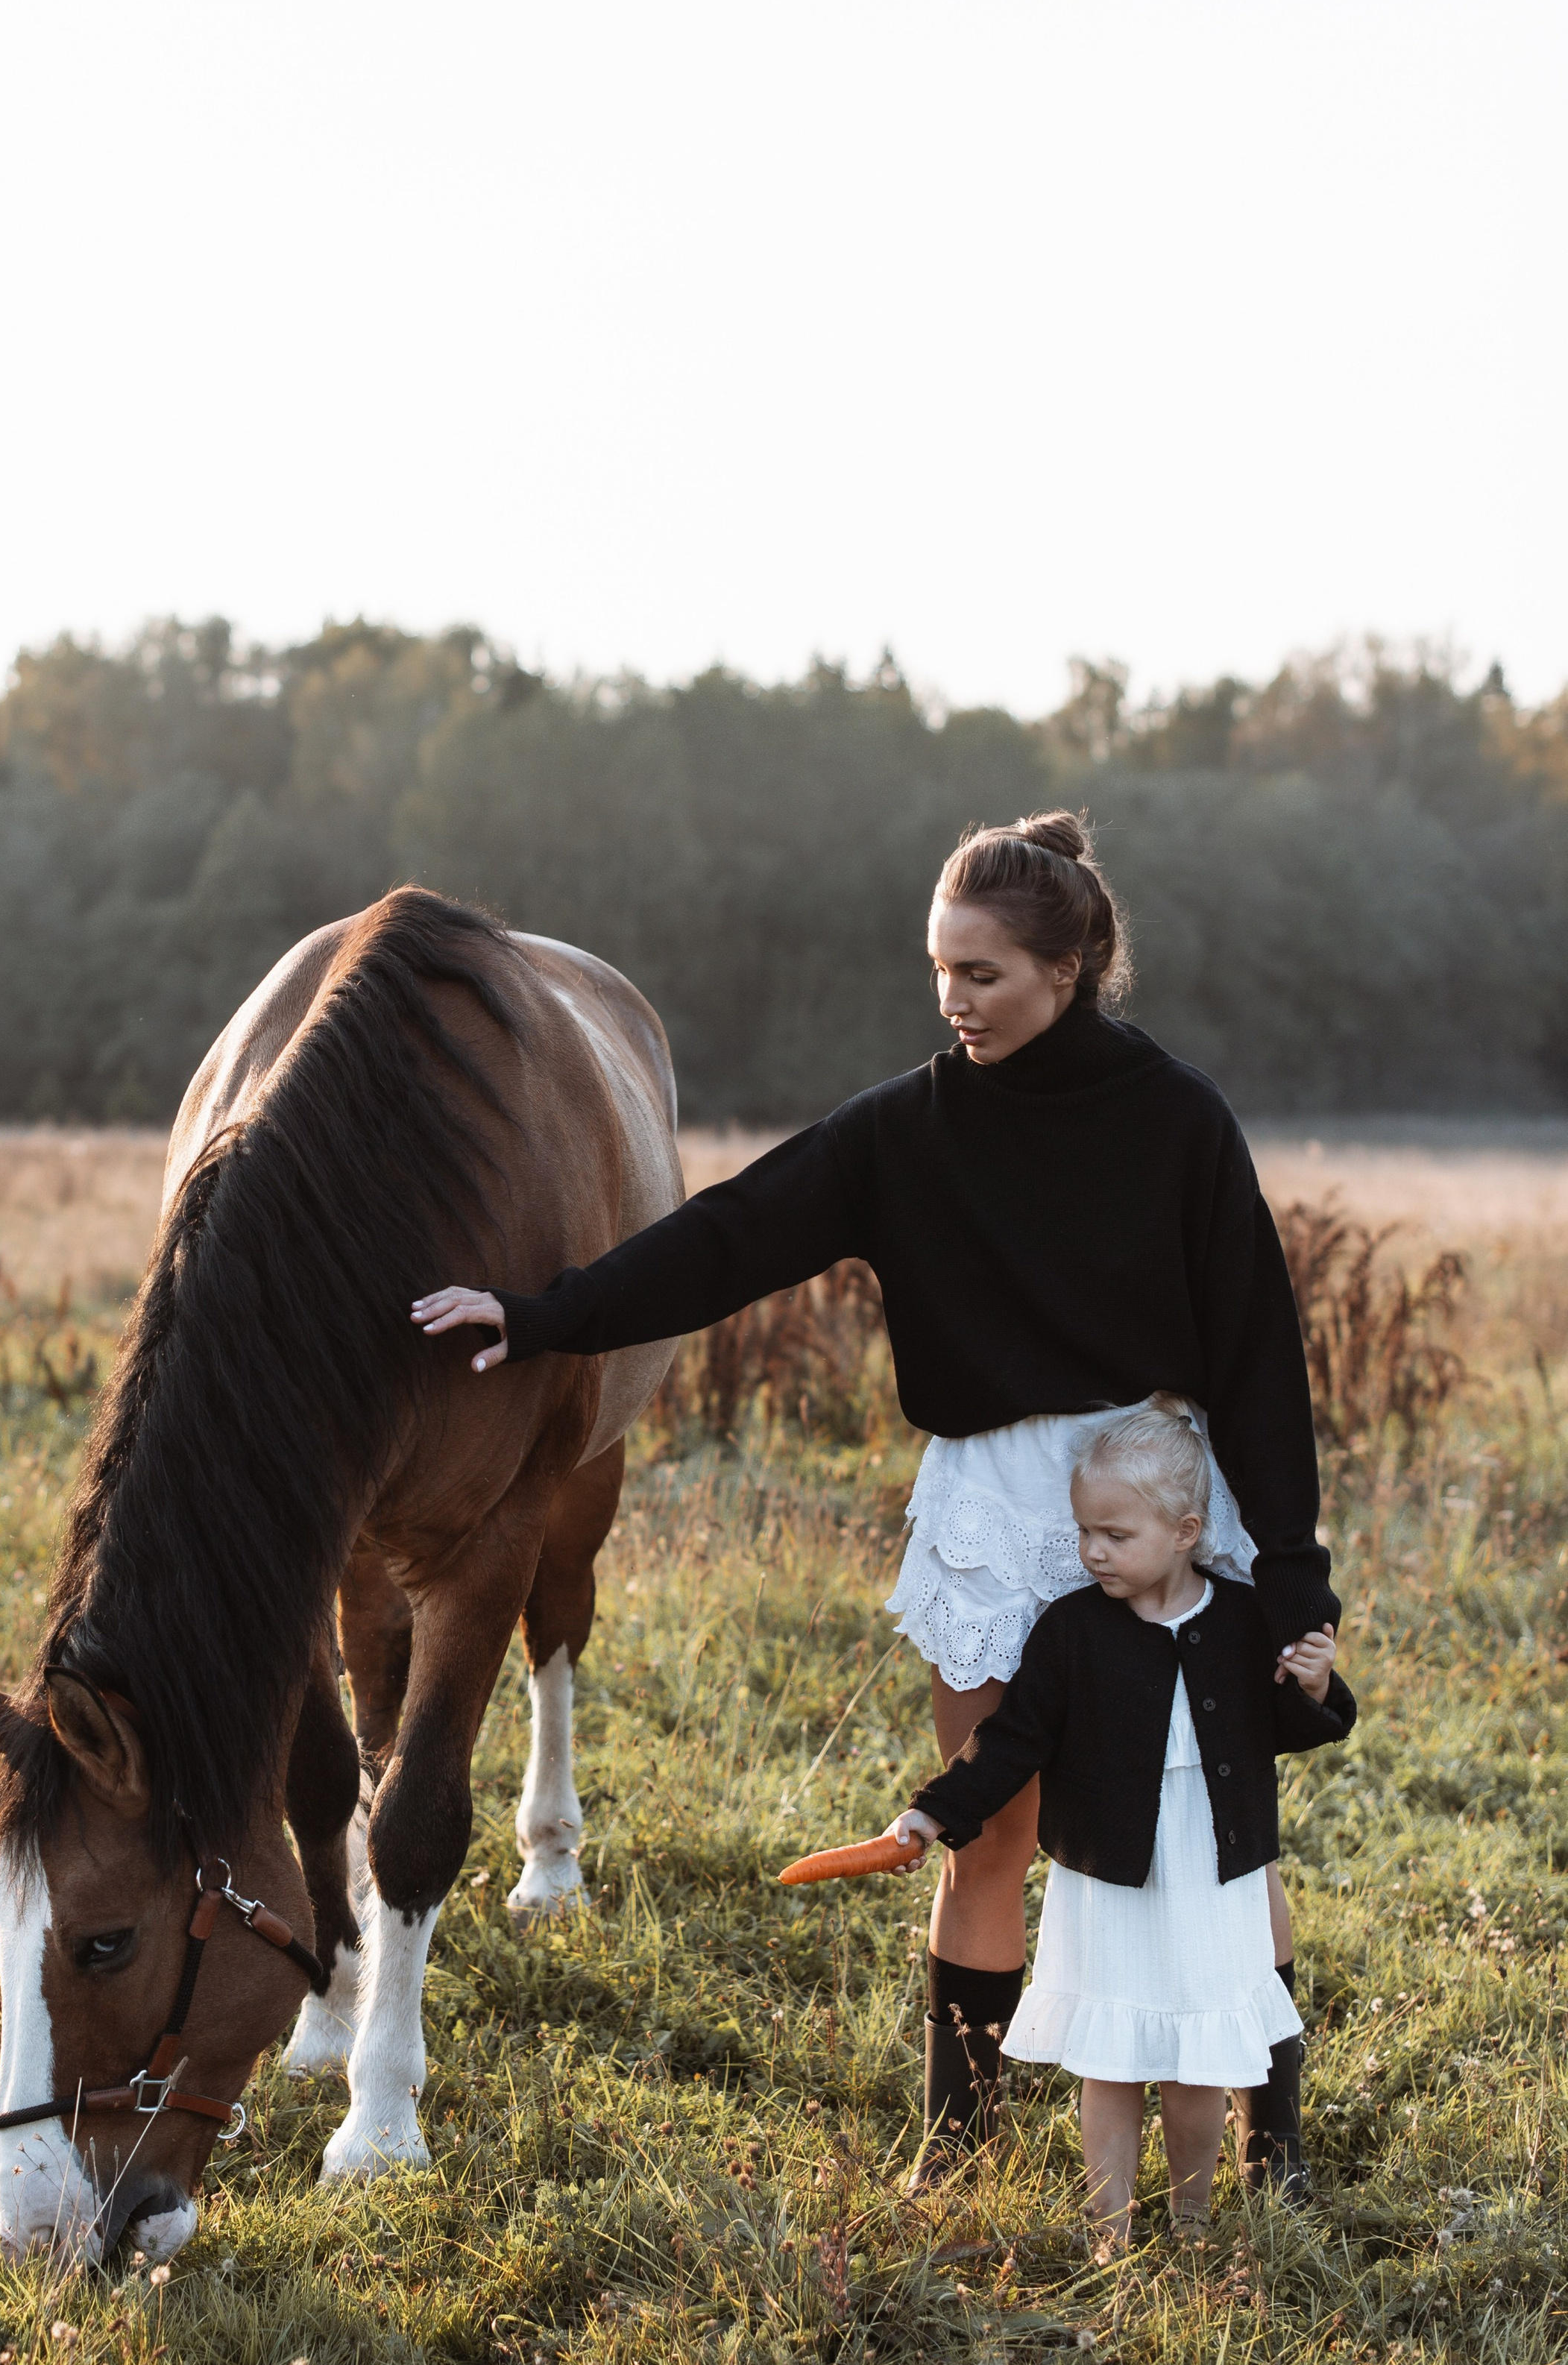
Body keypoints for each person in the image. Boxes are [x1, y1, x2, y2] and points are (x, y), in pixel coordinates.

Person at [412, 812, 1338, 2193]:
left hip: (1165, 1490)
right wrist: (545, 1316)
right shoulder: (908, 1128)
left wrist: (1298, 1582)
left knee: (1211, 1829)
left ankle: (1275, 2149)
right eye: (938, 970)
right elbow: (727, 1236)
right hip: (999, 1507)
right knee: (988, 1828)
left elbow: (1262, 1356)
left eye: (985, 974)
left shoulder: (1179, 1119)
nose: (953, 1001)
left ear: (1071, 967)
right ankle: (956, 2154)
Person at [891, 1396, 1353, 2249]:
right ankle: (1108, 2229)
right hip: (1111, 1878)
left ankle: (1191, 2221)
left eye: (1113, 1535)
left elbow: (1288, 1729)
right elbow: (1010, 1741)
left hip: (1210, 1873)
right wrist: (934, 1810)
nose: (1091, 1553)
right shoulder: (1071, 1632)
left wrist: (1319, 1686)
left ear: (1184, 1530)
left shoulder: (1242, 1619)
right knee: (1110, 2058)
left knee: (1195, 2063)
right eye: (1083, 1533)